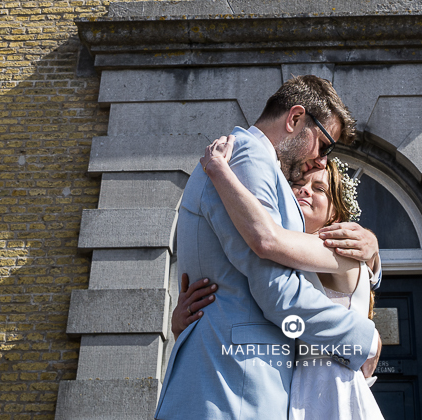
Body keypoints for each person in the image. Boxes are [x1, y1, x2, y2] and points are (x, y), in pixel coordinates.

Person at [154, 75, 381, 420]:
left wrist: (373, 255)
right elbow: (275, 287)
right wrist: (363, 339)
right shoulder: (249, 156)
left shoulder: (243, 157)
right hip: (237, 385)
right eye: (324, 145)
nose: (322, 161)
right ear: (295, 119)